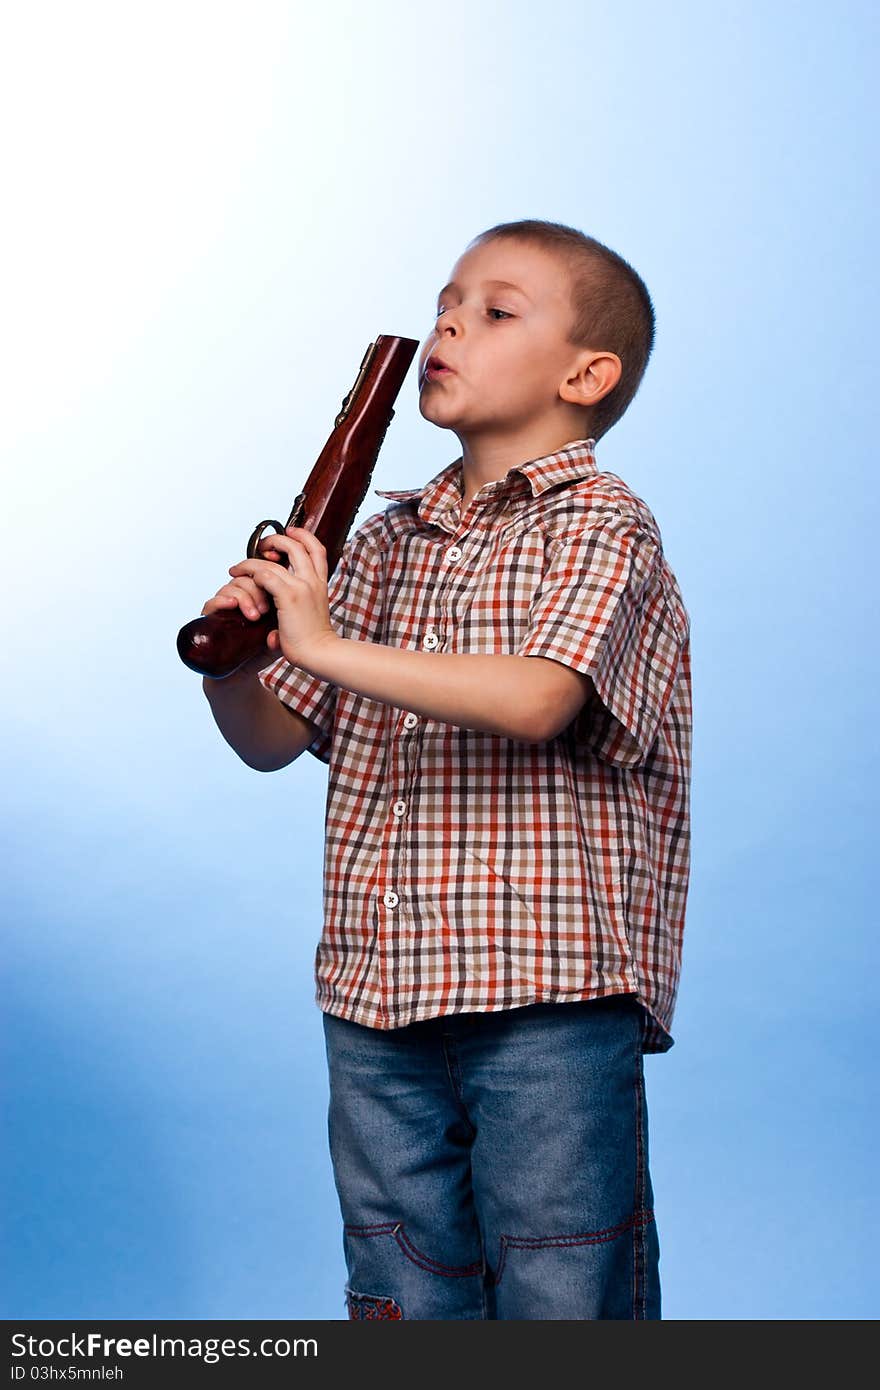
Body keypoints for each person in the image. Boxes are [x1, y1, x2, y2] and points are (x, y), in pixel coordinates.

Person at [199, 218, 692, 1320]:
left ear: (586, 373)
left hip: (545, 996)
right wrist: (244, 655)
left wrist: (322, 642)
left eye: (495, 311)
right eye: (445, 307)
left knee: (563, 1277)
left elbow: (537, 696)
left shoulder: (604, 527)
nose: (450, 327)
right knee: (399, 1281)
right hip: (377, 989)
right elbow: (275, 738)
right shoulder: (382, 540)